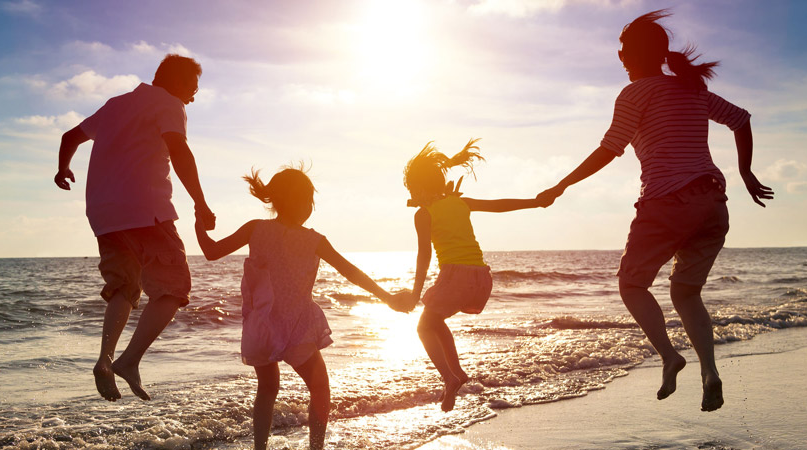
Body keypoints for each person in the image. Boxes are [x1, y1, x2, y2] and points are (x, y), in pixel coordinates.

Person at [536, 10, 774, 412]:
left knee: (631, 284)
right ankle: (709, 372)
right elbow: (741, 120)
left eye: (624, 50)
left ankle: (669, 356)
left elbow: (609, 149)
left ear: (637, 55)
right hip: (714, 204)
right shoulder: (690, 89)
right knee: (686, 292)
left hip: (668, 202)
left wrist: (562, 184)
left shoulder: (635, 93)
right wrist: (746, 172)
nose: (620, 56)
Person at [194, 165, 411, 450]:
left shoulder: (255, 228)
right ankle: (315, 448)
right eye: (309, 200)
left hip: (261, 327)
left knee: (268, 389)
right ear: (299, 202)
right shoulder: (314, 240)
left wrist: (199, 224)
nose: (311, 207)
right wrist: (388, 297)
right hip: (296, 326)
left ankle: (260, 448)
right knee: (320, 387)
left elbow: (210, 252)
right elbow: (351, 272)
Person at [53, 54, 216, 402]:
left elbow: (70, 137)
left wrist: (62, 169)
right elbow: (180, 150)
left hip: (104, 215)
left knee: (125, 286)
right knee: (174, 288)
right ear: (175, 81)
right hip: (147, 210)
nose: (193, 96)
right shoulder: (169, 103)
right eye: (192, 87)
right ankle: (129, 361)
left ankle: (105, 358)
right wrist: (201, 203)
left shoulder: (115, 105)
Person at [403, 139, 547, 412]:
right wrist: (535, 202)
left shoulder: (424, 214)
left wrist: (414, 293)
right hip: (481, 278)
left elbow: (424, 256)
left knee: (424, 327)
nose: (411, 194)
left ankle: (450, 377)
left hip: (455, 276)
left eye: (412, 189)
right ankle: (456, 373)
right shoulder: (461, 203)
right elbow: (499, 205)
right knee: (435, 321)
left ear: (420, 188)